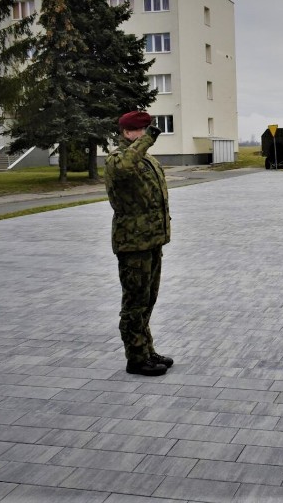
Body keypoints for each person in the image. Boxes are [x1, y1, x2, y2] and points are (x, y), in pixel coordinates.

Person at [104, 111, 173, 377]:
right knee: (134, 303)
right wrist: (146, 142)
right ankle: (135, 358)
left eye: (148, 130)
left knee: (148, 300)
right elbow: (125, 167)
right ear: (126, 133)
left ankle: (146, 350)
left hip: (152, 240)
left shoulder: (146, 160)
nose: (146, 135)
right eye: (141, 130)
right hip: (133, 244)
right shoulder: (117, 159)